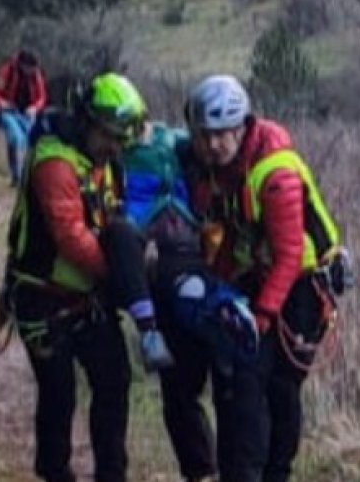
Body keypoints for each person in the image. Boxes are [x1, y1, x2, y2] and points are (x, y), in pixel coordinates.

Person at [1, 72, 172, 482]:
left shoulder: (105, 161)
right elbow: (72, 239)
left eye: (122, 139)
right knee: (59, 394)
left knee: (114, 381)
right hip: (44, 299)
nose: (116, 146)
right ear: (89, 123)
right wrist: (121, 277)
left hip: (86, 301)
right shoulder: (55, 164)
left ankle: (111, 475)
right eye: (111, 136)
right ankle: (54, 472)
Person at [182, 75, 350, 482]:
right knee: (246, 385)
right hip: (256, 280)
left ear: (242, 128)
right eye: (205, 136)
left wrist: (259, 317)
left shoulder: (276, 174)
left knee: (278, 388)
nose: (213, 145)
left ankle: (271, 473)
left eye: (222, 135)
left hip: (300, 290)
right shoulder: (217, 171)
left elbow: (290, 254)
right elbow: (229, 238)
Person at [122, 120, 258, 482]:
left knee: (183, 389)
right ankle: (217, 473)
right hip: (202, 270)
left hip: (179, 270)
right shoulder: (199, 156)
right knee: (217, 385)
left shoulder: (203, 158)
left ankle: (203, 472)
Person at [0, 49, 48, 186]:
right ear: (22, 65)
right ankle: (17, 176)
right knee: (14, 139)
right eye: (29, 68)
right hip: (8, 111)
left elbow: (42, 97)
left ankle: (29, 177)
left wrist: (35, 108)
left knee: (32, 142)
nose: (32, 71)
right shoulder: (7, 70)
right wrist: (0, 102)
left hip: (27, 114)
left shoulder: (35, 75)